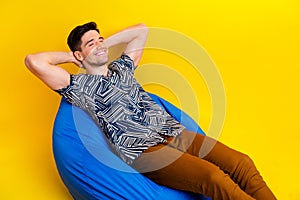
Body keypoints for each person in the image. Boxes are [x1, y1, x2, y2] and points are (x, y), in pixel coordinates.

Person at [25, 22, 276, 200]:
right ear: (79, 53)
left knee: (242, 163)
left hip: (175, 133)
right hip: (144, 151)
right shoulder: (79, 86)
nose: (100, 44)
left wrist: (101, 44)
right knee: (214, 178)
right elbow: (33, 61)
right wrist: (74, 57)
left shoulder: (122, 68)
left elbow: (141, 30)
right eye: (91, 43)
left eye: (101, 39)